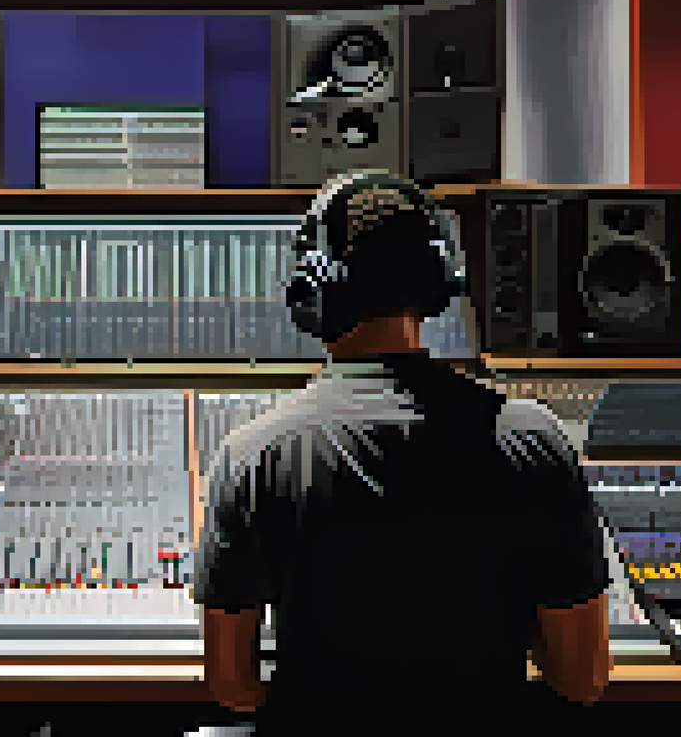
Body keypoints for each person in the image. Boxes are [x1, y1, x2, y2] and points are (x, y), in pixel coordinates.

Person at [192, 170, 614, 731]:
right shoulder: (533, 440)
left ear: (311, 290)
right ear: (437, 284)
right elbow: (581, 678)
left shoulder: (253, 453)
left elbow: (232, 685)